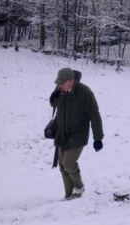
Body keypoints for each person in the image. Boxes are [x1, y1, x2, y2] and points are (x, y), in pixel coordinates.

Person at [49, 68, 104, 200]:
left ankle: (79, 187)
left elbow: (95, 115)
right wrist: (53, 98)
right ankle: (68, 195)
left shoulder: (85, 93)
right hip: (61, 133)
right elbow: (55, 105)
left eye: (63, 82)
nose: (60, 85)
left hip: (78, 134)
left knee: (69, 163)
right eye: (59, 82)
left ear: (72, 81)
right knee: (62, 166)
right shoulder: (60, 89)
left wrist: (98, 138)